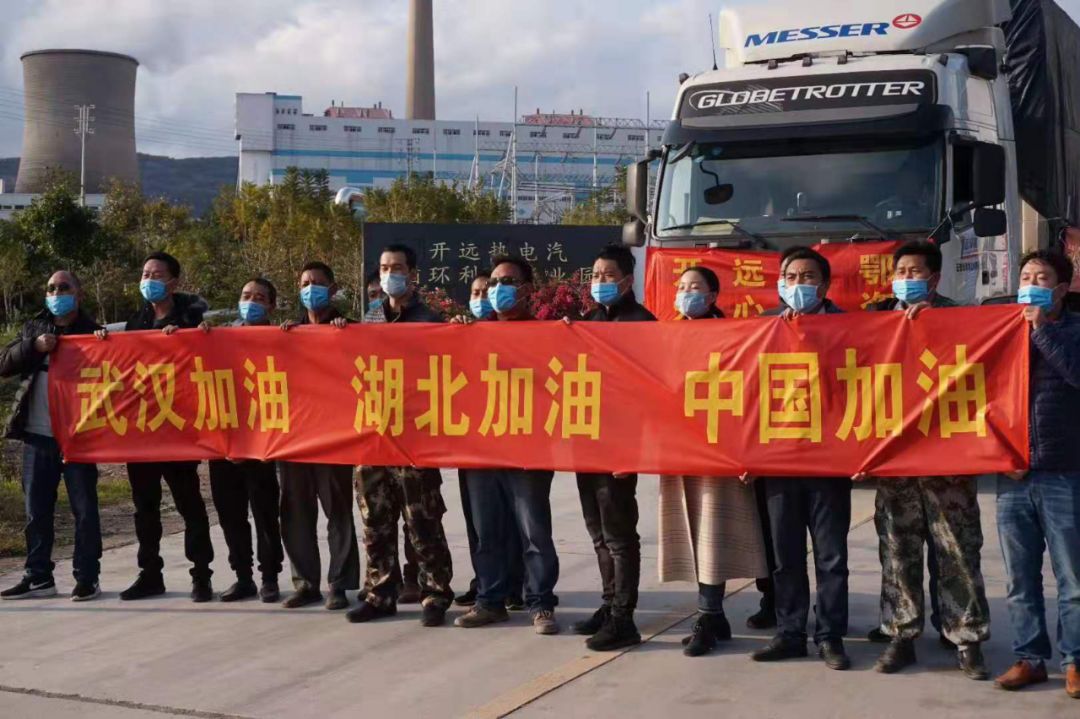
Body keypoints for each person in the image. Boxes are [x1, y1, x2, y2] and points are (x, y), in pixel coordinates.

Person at [857, 240, 991, 679]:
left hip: (947, 463)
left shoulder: (960, 319)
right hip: (895, 464)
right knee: (898, 551)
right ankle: (901, 634)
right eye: (900, 272)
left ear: (934, 278)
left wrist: (933, 324)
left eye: (915, 272)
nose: (906, 279)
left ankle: (966, 637)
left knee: (958, 551)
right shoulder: (874, 319)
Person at [658, 266, 769, 657]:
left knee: (715, 533)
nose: (686, 292)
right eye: (682, 286)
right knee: (690, 532)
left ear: (712, 296)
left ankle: (709, 615)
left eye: (696, 287)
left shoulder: (733, 335)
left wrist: (746, 452)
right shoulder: (664, 335)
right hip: (680, 450)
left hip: (722, 449)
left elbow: (751, 391)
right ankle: (714, 614)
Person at [750, 246, 852, 670]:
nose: (799, 285)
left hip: (829, 462)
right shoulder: (763, 328)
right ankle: (790, 632)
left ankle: (830, 636)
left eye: (808, 277)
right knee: (785, 557)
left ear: (824, 285)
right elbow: (747, 395)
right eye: (790, 277)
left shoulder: (851, 328)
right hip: (780, 460)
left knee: (832, 558)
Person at [348, 244, 455, 627]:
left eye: (397, 268)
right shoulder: (371, 318)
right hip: (374, 436)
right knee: (375, 521)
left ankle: (435, 593)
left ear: (413, 274)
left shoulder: (429, 320)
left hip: (414, 439)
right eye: (384, 268)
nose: (389, 274)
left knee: (421, 520)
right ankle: (380, 593)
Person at [98, 252, 215, 602]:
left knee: (189, 505)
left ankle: (201, 575)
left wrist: (185, 337)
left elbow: (206, 354)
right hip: (143, 431)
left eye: (157, 274)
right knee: (144, 508)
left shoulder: (191, 317)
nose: (149, 280)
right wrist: (100, 339)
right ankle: (150, 574)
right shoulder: (137, 321)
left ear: (173, 282)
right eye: (145, 273)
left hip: (177, 428)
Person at [454, 256, 561, 635]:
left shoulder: (547, 334)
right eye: (494, 282)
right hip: (482, 447)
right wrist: (455, 333)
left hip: (528, 449)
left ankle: (541, 603)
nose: (499, 289)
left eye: (508, 282)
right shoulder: (472, 333)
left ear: (527, 289)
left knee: (534, 532)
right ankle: (490, 600)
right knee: (487, 532)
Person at [993, 250, 1080, 699]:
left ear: (1061, 289)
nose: (1029, 284)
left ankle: (1075, 661)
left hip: (1063, 471)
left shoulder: (1073, 331)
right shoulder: (1000, 330)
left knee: (1073, 579)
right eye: (1025, 276)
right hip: (1012, 475)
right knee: (1019, 578)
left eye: (1040, 278)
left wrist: (1041, 330)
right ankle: (1029, 658)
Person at [569, 245, 654, 651]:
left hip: (619, 446)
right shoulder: (588, 321)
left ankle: (624, 618)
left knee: (619, 535)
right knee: (598, 532)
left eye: (608, 275)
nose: (599, 281)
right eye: (595, 274)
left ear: (626, 280)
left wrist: (634, 451)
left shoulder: (642, 324)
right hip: (587, 441)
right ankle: (608, 605)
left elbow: (648, 394)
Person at [0, 271, 103, 602]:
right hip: (37, 435)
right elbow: (4, 363)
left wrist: (102, 344)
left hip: (79, 438)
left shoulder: (93, 332)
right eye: (51, 288)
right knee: (36, 511)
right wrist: (33, 346)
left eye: (64, 288)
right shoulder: (34, 327)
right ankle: (38, 576)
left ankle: (87, 577)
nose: (56, 293)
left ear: (79, 294)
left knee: (84, 511)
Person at [278, 261, 361, 610]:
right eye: (305, 283)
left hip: (333, 436)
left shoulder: (349, 329)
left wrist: (347, 336)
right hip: (294, 436)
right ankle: (305, 583)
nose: (310, 288)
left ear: (333, 288)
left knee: (337, 512)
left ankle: (339, 584)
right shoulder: (288, 332)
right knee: (295, 512)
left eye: (317, 282)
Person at [198, 278, 285, 603]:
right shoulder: (220, 338)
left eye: (259, 298)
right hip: (225, 441)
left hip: (262, 443)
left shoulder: (282, 340)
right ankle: (243, 576)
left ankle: (269, 577)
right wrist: (198, 338)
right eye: (246, 295)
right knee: (230, 515)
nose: (251, 302)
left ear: (271, 306)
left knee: (265, 514)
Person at [453, 270, 527, 611]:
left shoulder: (525, 332)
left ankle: (514, 586)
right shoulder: (465, 333)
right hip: (474, 441)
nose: (483, 298)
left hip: (514, 438)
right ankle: (485, 584)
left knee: (514, 523)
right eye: (477, 293)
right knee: (479, 523)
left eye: (488, 291)